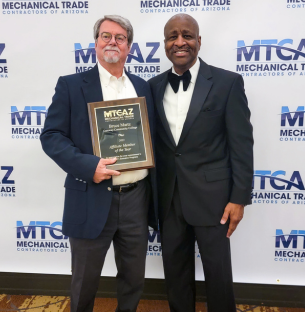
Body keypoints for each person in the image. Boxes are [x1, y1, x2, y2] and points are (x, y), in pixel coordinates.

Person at [40, 15, 157, 312]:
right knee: (84, 280)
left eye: (119, 37)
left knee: (133, 278)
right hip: (90, 196)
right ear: (95, 43)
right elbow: (52, 136)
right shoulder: (70, 85)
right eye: (106, 36)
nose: (112, 42)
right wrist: (88, 166)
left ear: (129, 46)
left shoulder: (144, 88)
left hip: (136, 198)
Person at [148, 14, 253, 312]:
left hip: (214, 199)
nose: (180, 42)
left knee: (218, 276)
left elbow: (242, 144)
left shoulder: (227, 82)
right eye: (172, 36)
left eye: (187, 35)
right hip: (169, 200)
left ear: (199, 41)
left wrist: (239, 198)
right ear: (165, 43)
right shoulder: (153, 87)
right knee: (176, 276)